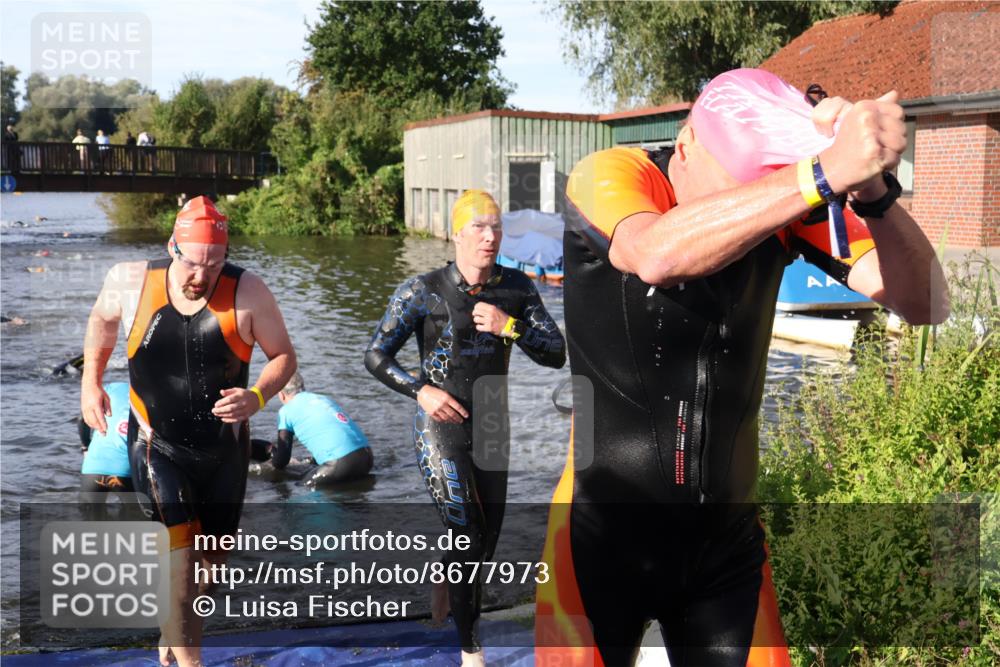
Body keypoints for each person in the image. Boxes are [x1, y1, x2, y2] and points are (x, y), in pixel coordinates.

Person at [534, 69, 949, 667]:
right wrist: (820, 173)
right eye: (734, 197)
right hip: (600, 536)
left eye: (762, 203)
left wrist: (874, 194)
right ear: (684, 146)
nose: (747, 228)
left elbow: (927, 302)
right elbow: (655, 255)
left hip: (723, 544)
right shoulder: (614, 173)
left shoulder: (788, 205)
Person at [80, 195, 297, 667]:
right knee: (179, 564)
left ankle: (172, 633)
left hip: (224, 454)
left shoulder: (249, 291)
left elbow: (283, 357)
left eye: (214, 265)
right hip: (158, 447)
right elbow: (101, 320)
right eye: (193, 263)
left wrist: (256, 396)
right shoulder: (131, 280)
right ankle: (191, 660)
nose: (201, 276)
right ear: (172, 246)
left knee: (209, 569)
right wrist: (90, 382)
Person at [365, 189, 566, 666]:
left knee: (484, 543)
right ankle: (470, 654)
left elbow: (556, 353)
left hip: (493, 421)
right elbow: (375, 355)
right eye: (478, 226)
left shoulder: (516, 288)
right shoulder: (423, 290)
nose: (489, 236)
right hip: (439, 423)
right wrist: (421, 391)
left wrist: (508, 326)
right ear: (456, 233)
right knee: (469, 536)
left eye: (495, 226)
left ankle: (448, 575)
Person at [252, 372, 374, 486]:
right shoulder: (323, 399)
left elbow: (282, 461)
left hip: (342, 462)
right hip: (367, 457)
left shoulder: (286, 411)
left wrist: (264, 467)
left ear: (281, 394)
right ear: (302, 387)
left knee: (303, 487)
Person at [78, 381, 133, 499]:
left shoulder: (111, 388)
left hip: (92, 467)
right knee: (134, 516)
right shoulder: (149, 396)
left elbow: (82, 418)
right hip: (126, 471)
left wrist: (85, 447)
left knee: (91, 516)